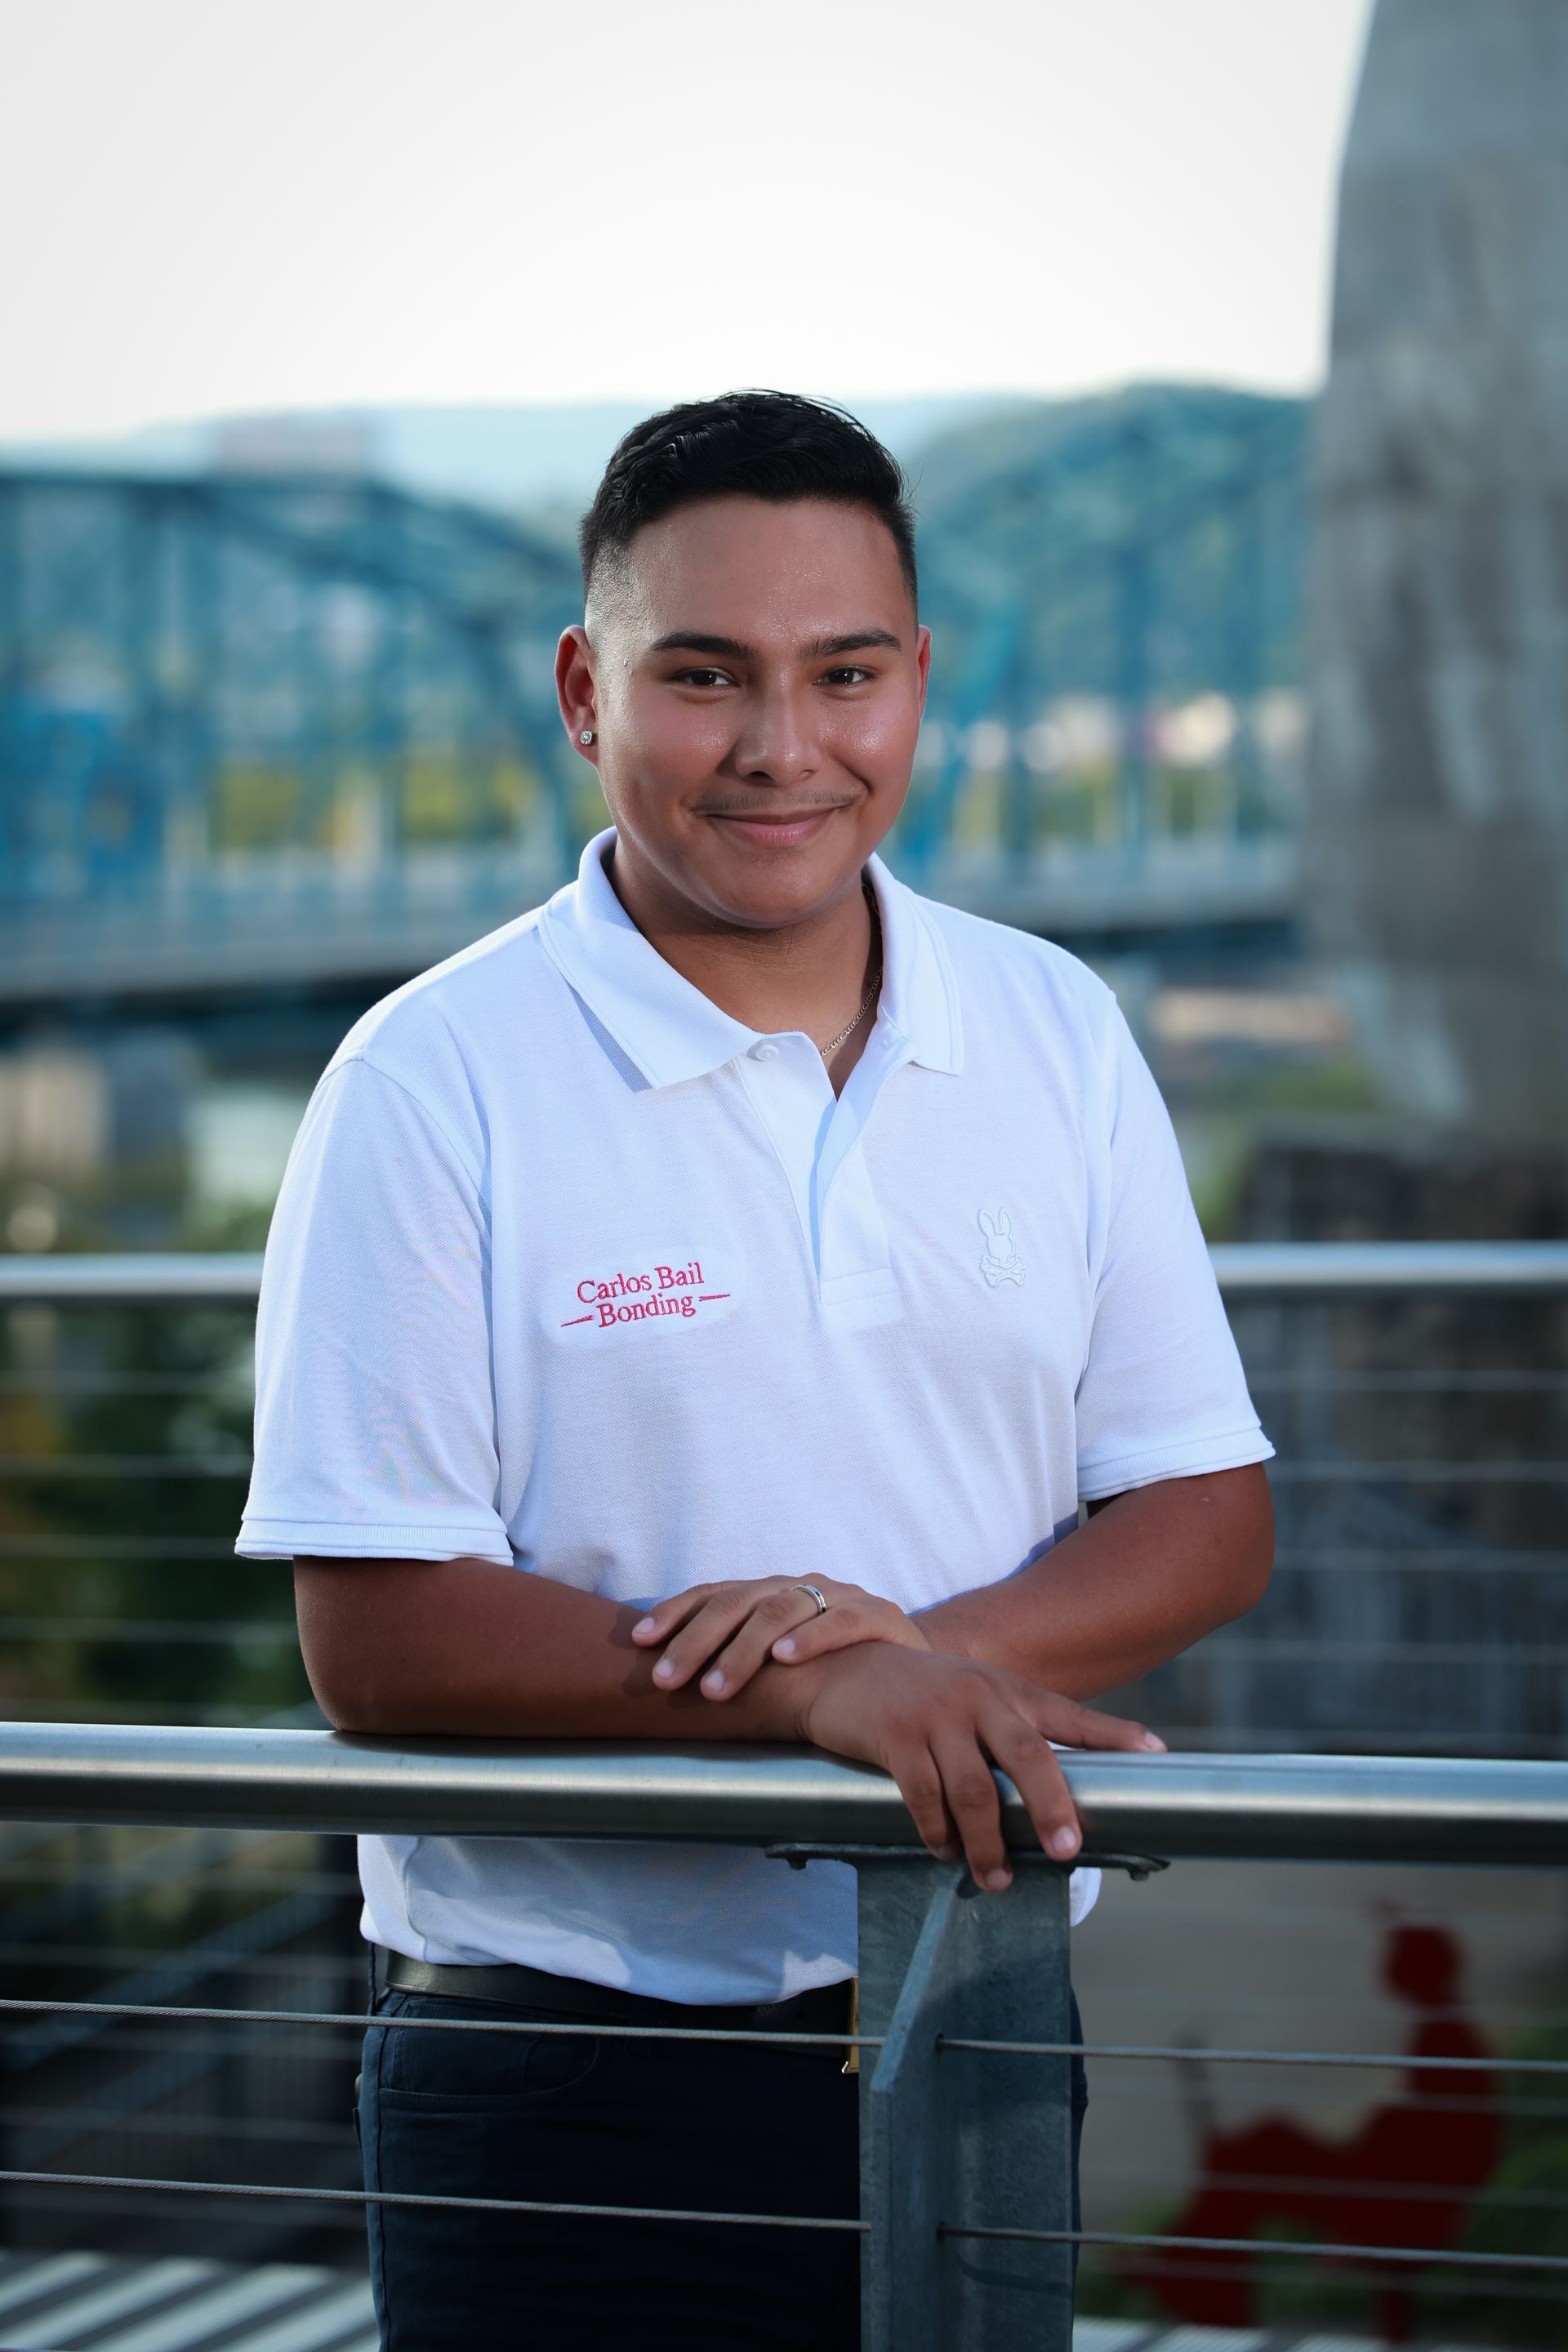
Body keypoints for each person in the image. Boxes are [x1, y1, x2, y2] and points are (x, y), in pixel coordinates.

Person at [238, 390, 1275, 2351]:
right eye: (703, 675)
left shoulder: (1051, 1027)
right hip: (556, 2058)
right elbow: (376, 1633)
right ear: (581, 688)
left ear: (920, 685)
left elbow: (1208, 1512)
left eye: (847, 673)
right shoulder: (428, 1080)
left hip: (975, 1990)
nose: (788, 748)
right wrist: (825, 1684)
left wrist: (910, 1680)